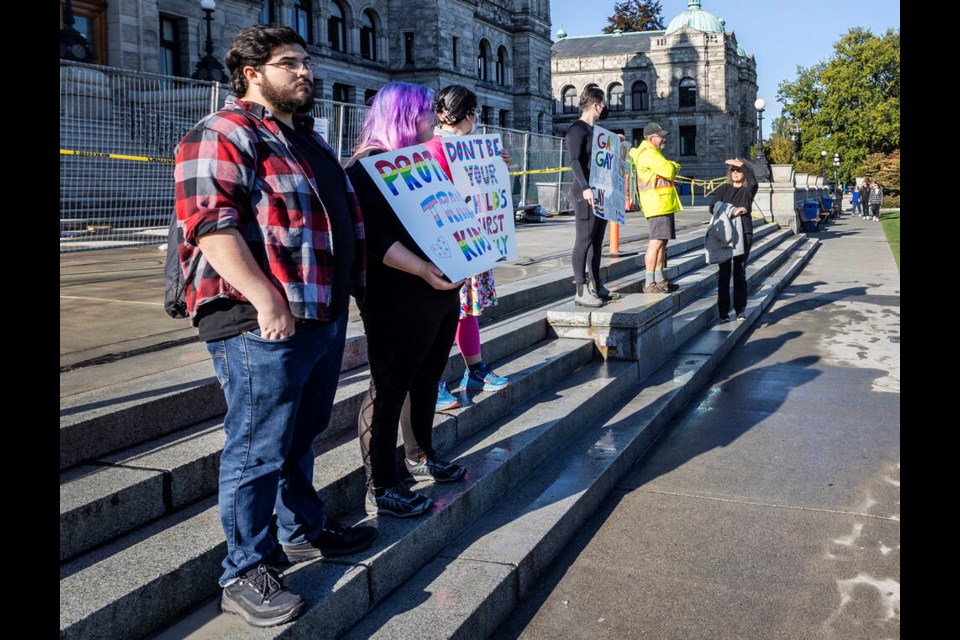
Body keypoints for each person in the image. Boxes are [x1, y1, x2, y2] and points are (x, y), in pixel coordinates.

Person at [173, 25, 377, 627]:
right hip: (257, 317)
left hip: (319, 310)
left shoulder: (307, 139)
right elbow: (211, 226)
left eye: (305, 62)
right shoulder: (223, 132)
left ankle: (301, 528)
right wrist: (266, 299)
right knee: (258, 444)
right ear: (251, 74)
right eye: (289, 63)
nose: (305, 72)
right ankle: (243, 569)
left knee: (301, 431)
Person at [345, 82, 468, 520]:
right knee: (391, 383)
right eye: (424, 113)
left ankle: (420, 453)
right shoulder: (365, 167)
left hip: (438, 288)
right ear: (401, 116)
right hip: (394, 294)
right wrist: (420, 269)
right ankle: (380, 482)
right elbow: (373, 239)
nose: (433, 120)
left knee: (428, 374)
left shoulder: (419, 161)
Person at [565, 86, 622, 307]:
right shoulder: (576, 130)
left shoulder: (596, 131)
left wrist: (614, 141)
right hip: (584, 193)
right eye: (604, 103)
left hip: (600, 193)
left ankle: (596, 284)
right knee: (584, 240)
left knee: (597, 242)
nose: (605, 107)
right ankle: (580, 289)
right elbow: (575, 161)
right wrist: (585, 186)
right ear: (596, 104)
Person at [630, 122, 682, 293]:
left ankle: (659, 279)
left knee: (662, 242)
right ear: (651, 138)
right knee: (656, 242)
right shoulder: (650, 154)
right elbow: (668, 170)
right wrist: (675, 166)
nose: (664, 139)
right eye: (661, 136)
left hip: (661, 203)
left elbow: (631, 151)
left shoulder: (646, 152)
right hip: (657, 203)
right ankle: (649, 281)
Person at [709, 159, 759, 322]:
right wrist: (732, 210)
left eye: (738, 170)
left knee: (740, 272)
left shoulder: (748, 190)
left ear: (744, 172)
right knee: (724, 273)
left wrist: (742, 164)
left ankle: (740, 311)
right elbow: (713, 206)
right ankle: (723, 312)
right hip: (725, 234)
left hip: (744, 232)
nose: (735, 173)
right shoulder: (724, 188)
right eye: (733, 170)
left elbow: (753, 181)